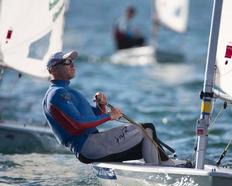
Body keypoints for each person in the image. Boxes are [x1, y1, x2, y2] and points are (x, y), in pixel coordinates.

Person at [42, 50, 172, 165]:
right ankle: (165, 169)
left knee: (145, 143)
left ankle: (164, 165)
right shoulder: (58, 93)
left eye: (72, 61)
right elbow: (79, 123)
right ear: (53, 70)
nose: (72, 65)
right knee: (147, 129)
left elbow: (93, 117)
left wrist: (101, 105)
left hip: (91, 145)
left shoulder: (65, 91)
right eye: (66, 62)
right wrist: (110, 116)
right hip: (88, 146)